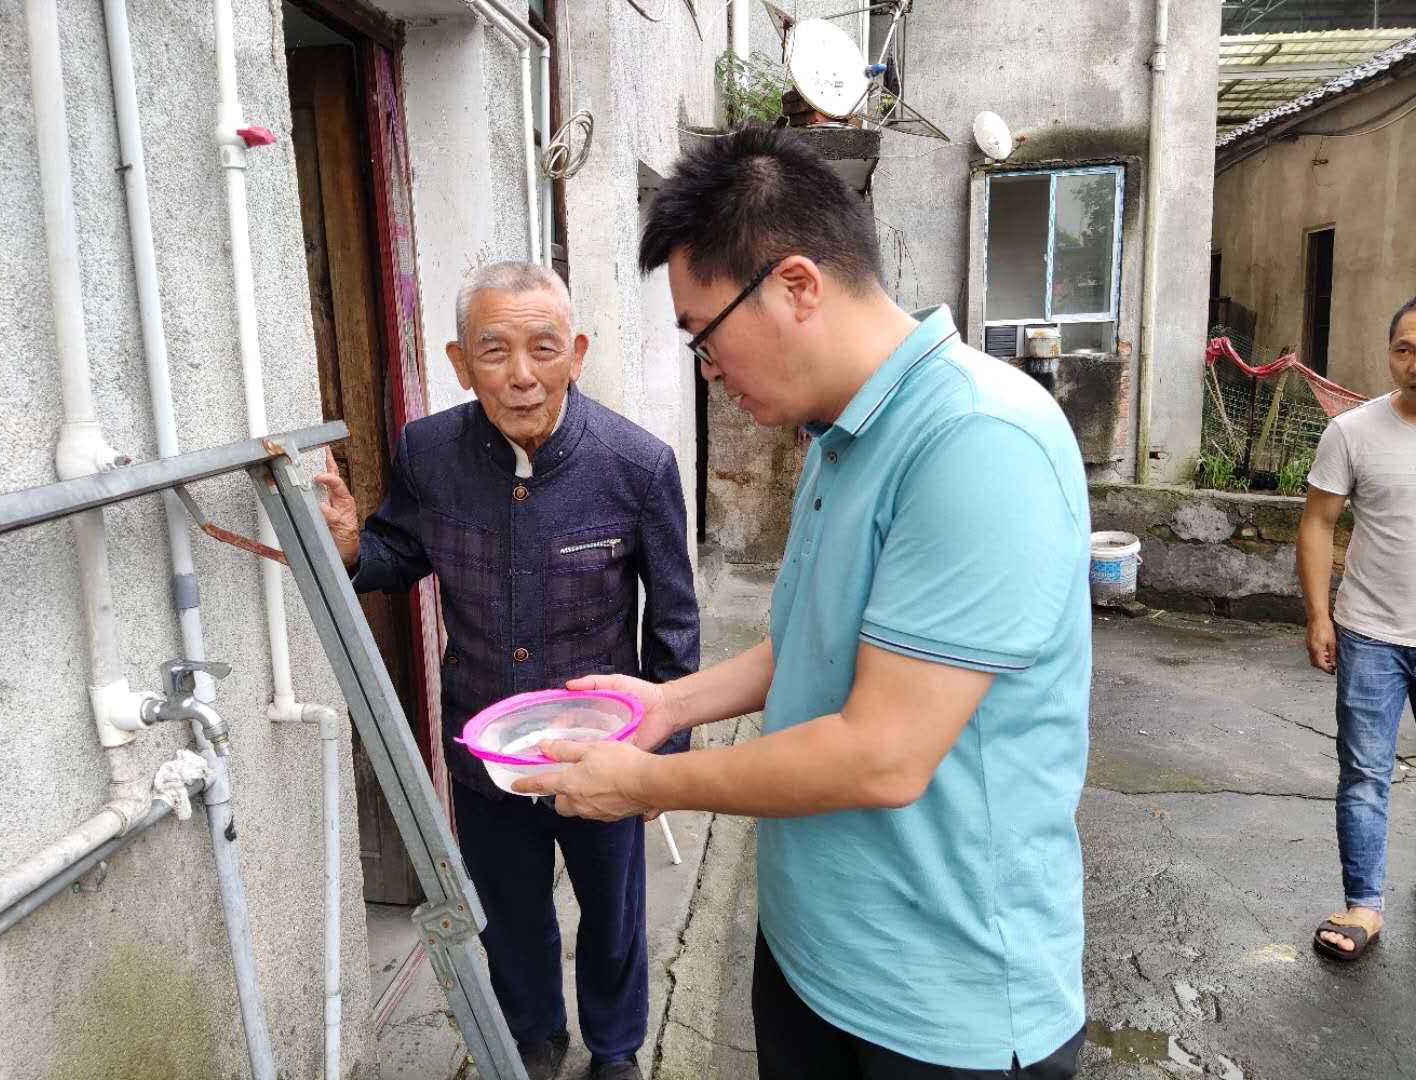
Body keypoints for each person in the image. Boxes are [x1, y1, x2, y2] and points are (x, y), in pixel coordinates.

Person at [518, 127, 1091, 1079]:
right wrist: (668, 706)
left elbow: (883, 754)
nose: (708, 370)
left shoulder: (979, 440)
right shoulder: (839, 433)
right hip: (816, 953)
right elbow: (813, 643)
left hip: (943, 1001)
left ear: (795, 285)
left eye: (705, 337)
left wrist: (646, 784)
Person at [314, 261, 699, 1080]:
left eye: (543, 348)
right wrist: (350, 548)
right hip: (485, 751)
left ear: (576, 354)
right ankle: (532, 1035)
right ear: (461, 363)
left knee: (614, 912)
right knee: (509, 911)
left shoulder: (637, 465)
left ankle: (616, 1047)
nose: (521, 375)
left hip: (600, 750)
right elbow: (399, 552)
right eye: (494, 351)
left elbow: (673, 625)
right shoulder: (429, 453)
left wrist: (661, 764)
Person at [1299, 295, 1416, 963]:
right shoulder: (1352, 432)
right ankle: (1364, 905)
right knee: (1366, 774)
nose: (1415, 362)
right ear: (1390, 353)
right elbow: (1318, 522)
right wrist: (1319, 614)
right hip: (1371, 632)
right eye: (1405, 349)